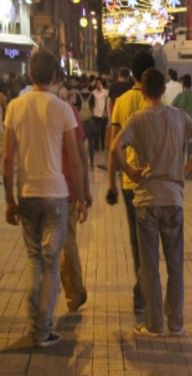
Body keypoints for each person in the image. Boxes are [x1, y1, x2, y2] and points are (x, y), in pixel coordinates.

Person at [111, 68, 192, 336]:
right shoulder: (178, 117)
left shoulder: (137, 119)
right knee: (175, 264)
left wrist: (130, 172)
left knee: (150, 266)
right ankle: (176, 322)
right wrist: (186, 167)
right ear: (164, 90)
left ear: (142, 91)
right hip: (174, 198)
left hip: (146, 199)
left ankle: (154, 324)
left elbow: (114, 147)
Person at [3, 49, 88, 347]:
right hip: (56, 194)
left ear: (29, 74)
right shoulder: (63, 109)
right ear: (55, 75)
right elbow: (75, 159)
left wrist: (9, 199)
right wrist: (80, 197)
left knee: (34, 259)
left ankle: (35, 323)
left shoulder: (15, 106)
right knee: (51, 262)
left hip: (27, 195)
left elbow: (7, 158)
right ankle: (43, 328)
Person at [108, 51, 156, 314]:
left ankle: (143, 292)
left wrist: (111, 182)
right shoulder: (158, 100)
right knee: (153, 239)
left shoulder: (122, 101)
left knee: (136, 240)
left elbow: (112, 144)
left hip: (129, 182)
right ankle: (145, 290)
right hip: (155, 181)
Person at [56, 69, 93, 314]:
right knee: (66, 242)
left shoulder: (23, 108)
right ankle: (74, 293)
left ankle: (70, 294)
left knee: (51, 247)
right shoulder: (69, 112)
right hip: (65, 187)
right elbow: (79, 155)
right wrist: (83, 194)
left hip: (36, 190)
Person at [172, 74, 192, 169]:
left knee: (181, 149)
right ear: (191, 83)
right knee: (191, 150)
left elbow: (172, 107)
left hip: (181, 126)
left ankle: (180, 169)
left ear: (183, 83)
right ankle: (189, 171)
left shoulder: (180, 96)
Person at [91, 78, 109, 152]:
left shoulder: (105, 92)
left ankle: (102, 146)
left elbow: (107, 102)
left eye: (99, 83)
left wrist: (105, 111)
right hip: (95, 114)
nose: (98, 85)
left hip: (103, 114)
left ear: (102, 84)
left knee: (103, 131)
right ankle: (96, 146)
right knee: (96, 131)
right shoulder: (93, 92)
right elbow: (92, 103)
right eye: (97, 83)